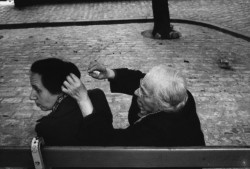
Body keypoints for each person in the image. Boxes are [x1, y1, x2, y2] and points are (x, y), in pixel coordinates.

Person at [63, 61, 205, 147]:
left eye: (144, 93)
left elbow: (106, 143)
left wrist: (83, 100)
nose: (137, 92)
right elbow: (141, 79)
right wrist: (109, 73)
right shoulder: (181, 96)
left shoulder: (152, 133)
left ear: (161, 104)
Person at [29, 58, 113, 146]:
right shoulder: (97, 95)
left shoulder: (48, 128)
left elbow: (101, 146)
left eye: (37, 90)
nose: (31, 96)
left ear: (60, 90)